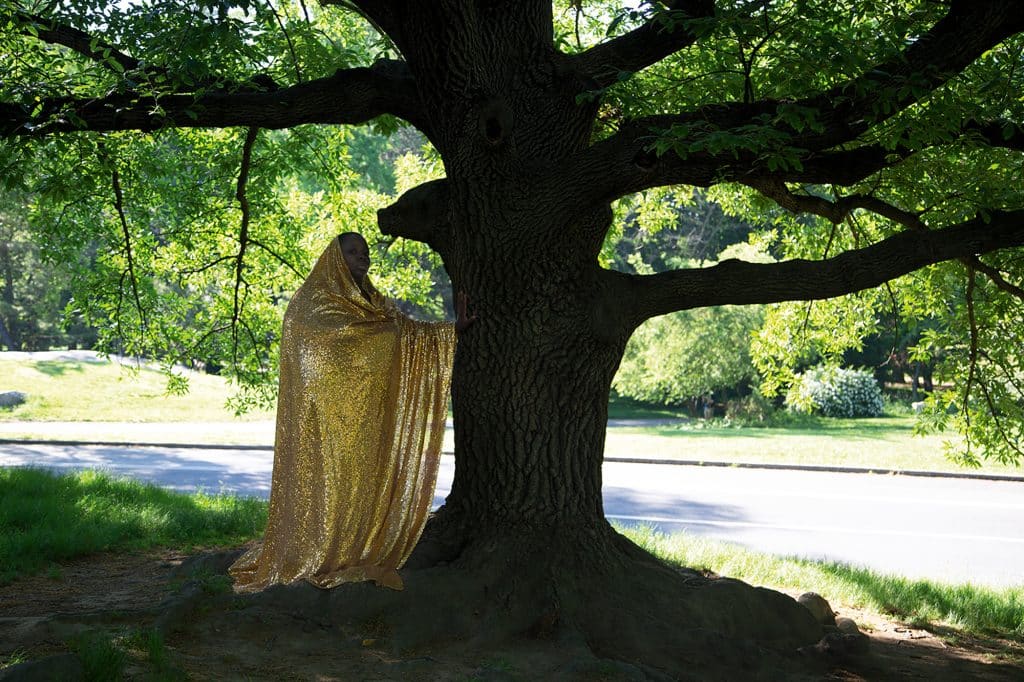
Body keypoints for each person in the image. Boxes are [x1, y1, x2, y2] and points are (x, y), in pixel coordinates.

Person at [230, 232, 473, 592]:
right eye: (352, 252)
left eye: (365, 252)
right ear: (334, 258)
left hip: (366, 421)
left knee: (364, 485)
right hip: (324, 422)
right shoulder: (312, 303)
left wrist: (452, 331)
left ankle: (354, 548)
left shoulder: (373, 302)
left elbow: (403, 334)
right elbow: (322, 353)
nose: (363, 258)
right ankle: (317, 552)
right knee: (325, 487)